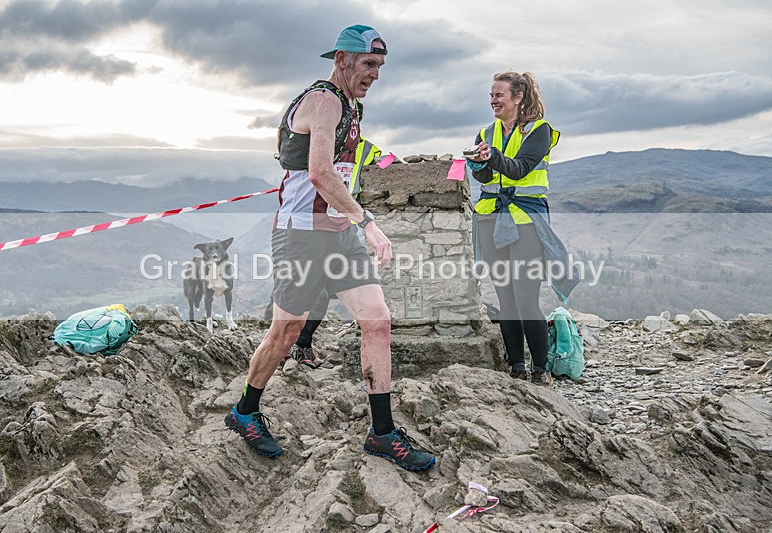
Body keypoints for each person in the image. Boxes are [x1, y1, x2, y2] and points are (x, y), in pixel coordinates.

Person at [225, 25, 435, 471]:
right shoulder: (323, 101)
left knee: (377, 322)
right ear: (342, 59)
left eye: (379, 67)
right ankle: (244, 411)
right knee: (285, 333)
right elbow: (319, 172)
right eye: (368, 65)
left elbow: (340, 168)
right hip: (300, 236)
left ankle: (381, 432)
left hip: (337, 236)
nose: (375, 74)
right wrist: (369, 223)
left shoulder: (351, 107)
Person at [466, 71, 562, 387]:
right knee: (505, 296)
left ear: (517, 97)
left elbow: (520, 170)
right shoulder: (486, 132)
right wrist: (479, 164)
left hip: (526, 221)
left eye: (499, 95)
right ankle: (517, 367)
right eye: (491, 95)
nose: (493, 100)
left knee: (525, 297)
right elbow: (484, 179)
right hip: (491, 218)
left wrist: (491, 156)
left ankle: (540, 369)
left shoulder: (539, 131)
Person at [280, 137, 383, 368]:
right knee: (310, 292)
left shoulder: (365, 147)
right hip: (308, 230)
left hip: (341, 230)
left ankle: (302, 344)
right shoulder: (317, 140)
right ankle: (290, 346)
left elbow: (385, 163)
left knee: (323, 293)